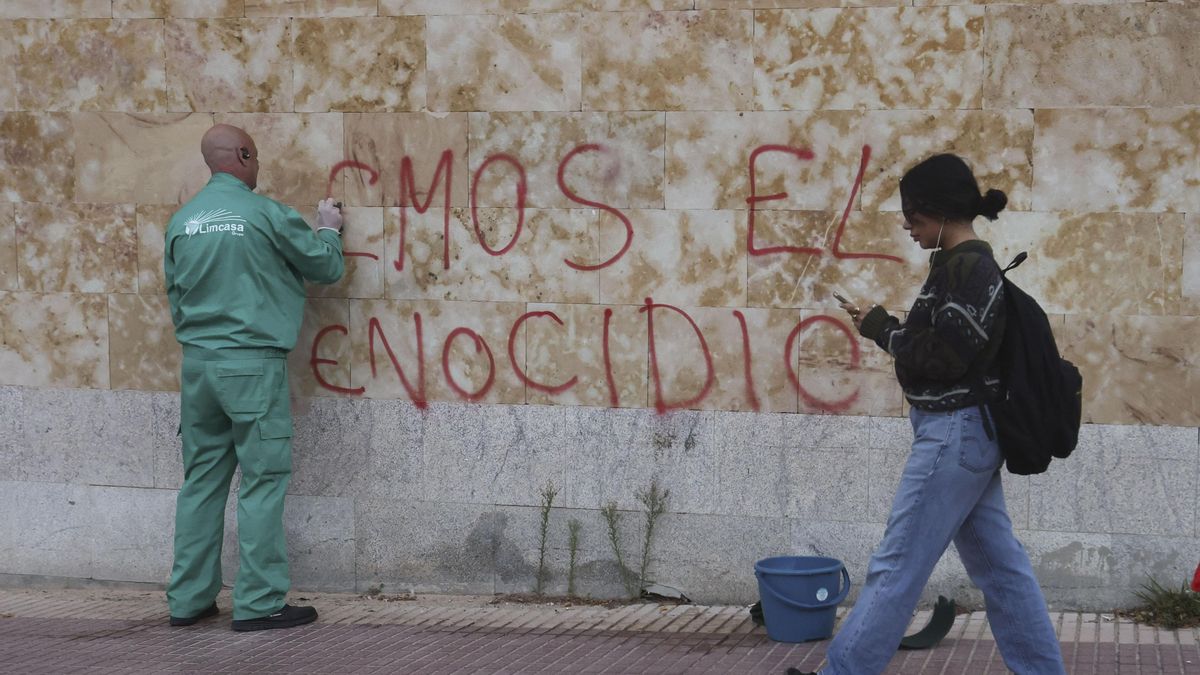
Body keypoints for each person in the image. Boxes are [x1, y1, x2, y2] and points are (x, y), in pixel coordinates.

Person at [789, 154, 1066, 675]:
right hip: (967, 436)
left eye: (913, 215)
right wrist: (885, 327)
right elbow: (944, 347)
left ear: (940, 211)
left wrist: (882, 329)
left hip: (954, 435)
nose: (906, 225)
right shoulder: (961, 266)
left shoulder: (969, 269)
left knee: (898, 563)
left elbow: (944, 358)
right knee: (1002, 571)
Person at [163, 124, 345, 631]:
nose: (258, 164)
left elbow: (175, 295)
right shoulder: (265, 215)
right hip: (251, 365)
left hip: (198, 366)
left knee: (201, 483)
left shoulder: (182, 221)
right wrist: (329, 229)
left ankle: (188, 599)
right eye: (256, 156)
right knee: (263, 481)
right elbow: (324, 267)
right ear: (243, 155)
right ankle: (260, 601)